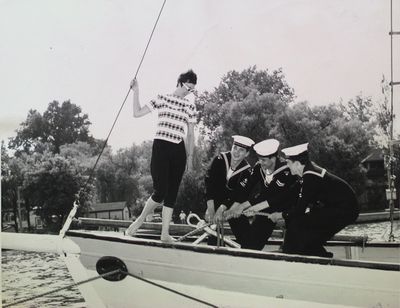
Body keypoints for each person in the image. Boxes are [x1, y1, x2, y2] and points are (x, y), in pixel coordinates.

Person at [125, 70, 197, 242]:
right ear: (180, 82)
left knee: (172, 193)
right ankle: (140, 220)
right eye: (188, 87)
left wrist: (190, 157)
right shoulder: (162, 98)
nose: (189, 92)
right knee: (160, 190)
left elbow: (191, 134)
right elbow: (137, 113)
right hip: (161, 147)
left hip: (178, 150)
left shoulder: (190, 106)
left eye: (192, 90)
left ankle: (165, 234)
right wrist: (136, 91)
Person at [281, 143, 359, 257]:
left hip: (344, 210)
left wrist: (282, 215)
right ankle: (318, 257)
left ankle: (318, 258)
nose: (287, 166)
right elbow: (290, 195)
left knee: (298, 225)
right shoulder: (309, 171)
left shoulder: (310, 176)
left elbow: (300, 209)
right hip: (338, 209)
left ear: (297, 163)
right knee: (302, 230)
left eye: (288, 163)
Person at [225, 139, 298, 250]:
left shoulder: (285, 170)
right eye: (259, 159)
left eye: (263, 160)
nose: (260, 162)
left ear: (273, 158)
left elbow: (269, 195)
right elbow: (247, 187)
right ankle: (248, 246)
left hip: (286, 209)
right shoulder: (260, 167)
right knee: (249, 243)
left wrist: (248, 207)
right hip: (266, 208)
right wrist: (234, 207)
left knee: (293, 248)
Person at [204, 135, 255, 244]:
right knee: (213, 235)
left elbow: (239, 194)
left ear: (247, 154)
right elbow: (210, 185)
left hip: (233, 204)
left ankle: (247, 250)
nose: (236, 152)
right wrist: (211, 210)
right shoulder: (220, 159)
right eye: (235, 148)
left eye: (241, 150)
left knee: (246, 236)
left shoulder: (247, 171)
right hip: (215, 201)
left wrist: (225, 210)